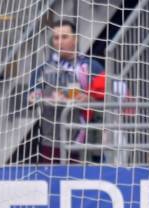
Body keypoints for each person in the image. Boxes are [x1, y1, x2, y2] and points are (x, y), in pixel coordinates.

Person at [27, 20, 104, 162]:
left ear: (75, 39)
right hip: (52, 143)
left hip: (87, 142)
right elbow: (32, 99)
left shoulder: (92, 67)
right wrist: (35, 97)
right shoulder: (43, 70)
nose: (59, 42)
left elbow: (109, 103)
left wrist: (90, 100)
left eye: (64, 37)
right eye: (56, 38)